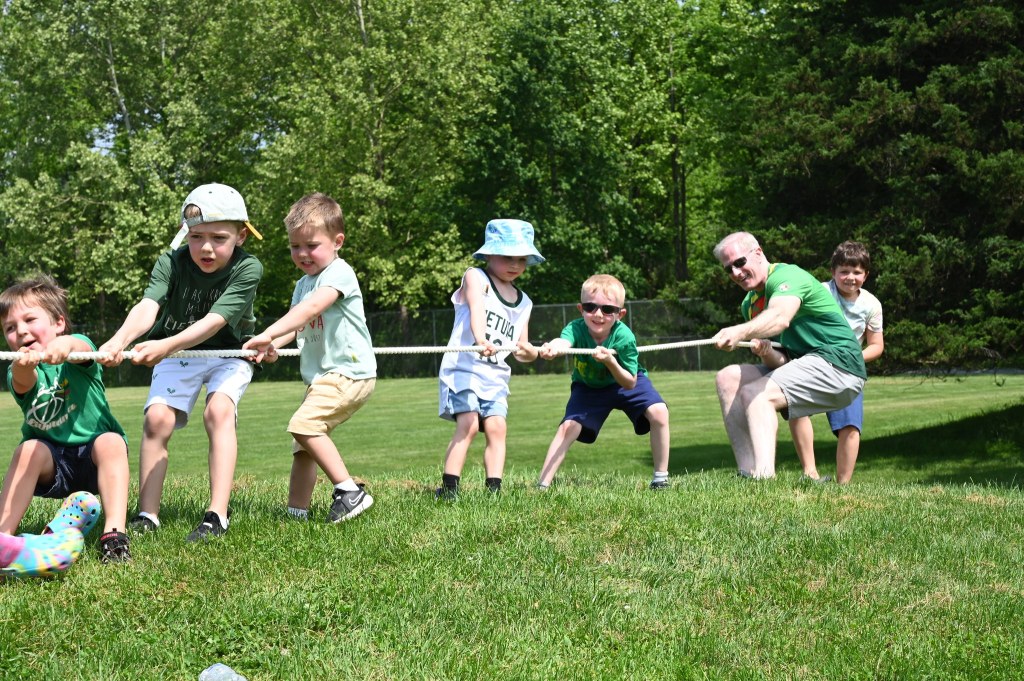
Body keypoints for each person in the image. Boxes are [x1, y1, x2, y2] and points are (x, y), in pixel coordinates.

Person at [99, 183, 264, 542]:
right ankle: (147, 515)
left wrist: (163, 345)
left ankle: (217, 515)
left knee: (218, 412)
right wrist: (119, 340)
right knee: (157, 420)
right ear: (185, 233)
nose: (206, 247)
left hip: (228, 352)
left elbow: (215, 322)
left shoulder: (248, 268)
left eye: (219, 238)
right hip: (178, 353)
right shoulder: (170, 262)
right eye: (196, 236)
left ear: (241, 236)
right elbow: (148, 306)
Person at [243, 193, 376, 522]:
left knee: (304, 426)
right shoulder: (303, 283)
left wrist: (268, 332)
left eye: (311, 245)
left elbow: (312, 309)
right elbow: (297, 324)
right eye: (294, 246)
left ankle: (349, 492)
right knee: (303, 446)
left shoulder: (339, 273)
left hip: (348, 373)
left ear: (337, 242)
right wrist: (271, 345)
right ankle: (296, 514)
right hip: (321, 378)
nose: (302, 253)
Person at [711, 232, 867, 479]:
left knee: (756, 395)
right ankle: (747, 473)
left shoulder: (787, 276)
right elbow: (784, 362)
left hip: (840, 365)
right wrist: (766, 352)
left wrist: (739, 331)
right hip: (807, 365)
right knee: (727, 378)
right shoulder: (750, 305)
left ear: (758, 253)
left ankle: (764, 478)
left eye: (740, 262)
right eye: (729, 269)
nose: (736, 273)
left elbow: (780, 317)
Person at [0, 276, 130, 562]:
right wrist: (23, 366)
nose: (20, 331)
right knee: (28, 449)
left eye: (29, 320)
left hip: (93, 458)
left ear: (58, 323)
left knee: (111, 442)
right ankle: (3, 538)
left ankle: (114, 536)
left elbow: (81, 347)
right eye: (10, 327)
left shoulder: (79, 351)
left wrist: (66, 344)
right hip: (53, 463)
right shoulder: (18, 369)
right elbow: (22, 381)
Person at [435, 219, 542, 500]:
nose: (515, 264)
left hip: (495, 378)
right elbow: (477, 307)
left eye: (521, 259)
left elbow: (521, 349)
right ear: (489, 254)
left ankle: (493, 491)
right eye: (507, 257)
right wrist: (480, 339)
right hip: (464, 370)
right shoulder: (476, 277)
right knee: (469, 424)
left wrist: (532, 352)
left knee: (497, 428)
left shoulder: (525, 302)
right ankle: (449, 490)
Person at [537, 274, 670, 490]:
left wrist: (610, 361)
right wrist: (553, 347)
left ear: (620, 314)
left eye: (607, 309)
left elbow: (630, 382)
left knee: (659, 411)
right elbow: (564, 341)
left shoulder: (624, 336)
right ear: (581, 309)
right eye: (590, 307)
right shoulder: (576, 328)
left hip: (624, 379)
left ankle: (660, 479)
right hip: (587, 387)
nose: (598, 314)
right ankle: (542, 486)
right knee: (568, 427)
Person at [789, 241, 884, 484]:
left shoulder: (871, 304)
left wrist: (851, 358)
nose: (850, 277)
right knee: (797, 409)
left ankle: (843, 485)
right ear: (833, 272)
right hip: (811, 361)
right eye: (844, 271)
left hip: (847, 370)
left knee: (851, 425)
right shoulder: (819, 292)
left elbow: (876, 345)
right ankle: (810, 473)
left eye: (857, 272)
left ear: (866, 275)